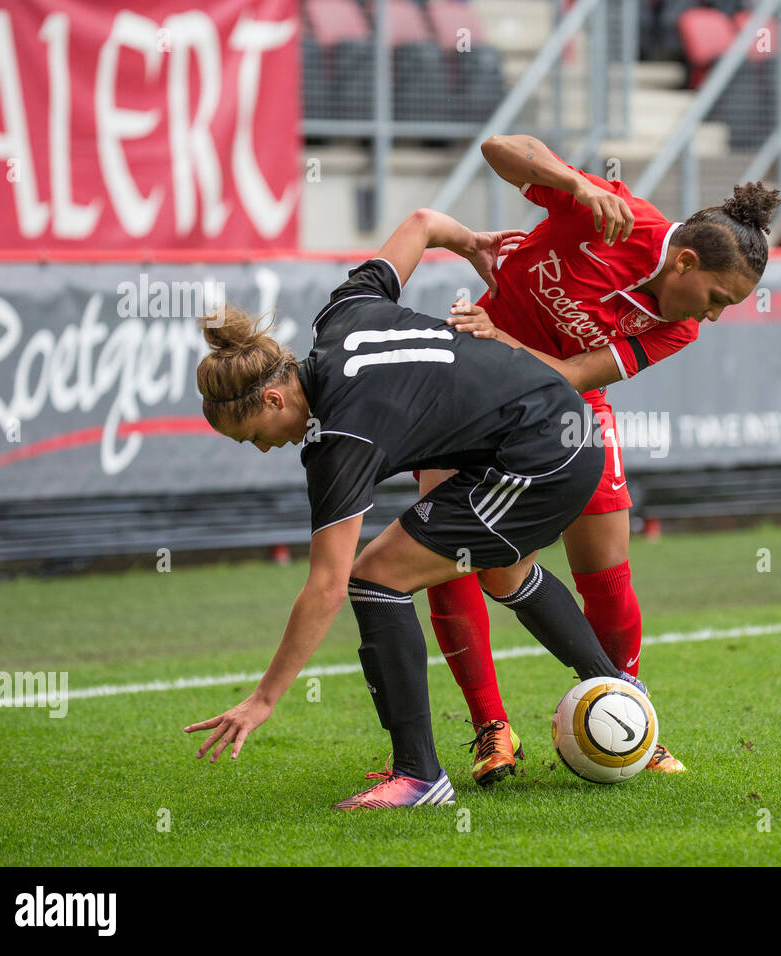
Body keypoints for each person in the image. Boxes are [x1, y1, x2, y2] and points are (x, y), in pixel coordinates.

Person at [183, 207, 644, 810]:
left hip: (543, 453)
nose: (266, 447)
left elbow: (325, 586)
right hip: (555, 431)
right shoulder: (341, 314)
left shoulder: (338, 438)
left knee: (374, 577)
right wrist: (474, 242)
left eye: (256, 435)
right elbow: (423, 222)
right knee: (501, 571)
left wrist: (264, 698)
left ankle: (419, 776)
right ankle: (619, 690)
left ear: (273, 396)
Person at [421, 133, 781, 785]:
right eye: (719, 297)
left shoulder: (678, 324)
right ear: (686, 262)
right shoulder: (612, 213)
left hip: (563, 401)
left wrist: (504, 340)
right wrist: (570, 181)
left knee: (606, 566)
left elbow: (568, 374)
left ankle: (629, 709)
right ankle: (491, 730)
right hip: (472, 381)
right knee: (445, 554)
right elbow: (498, 148)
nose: (717, 316)